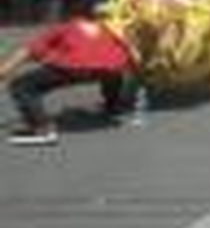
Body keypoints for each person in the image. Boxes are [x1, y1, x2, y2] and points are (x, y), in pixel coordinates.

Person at [3, 17, 135, 146]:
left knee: (22, 85)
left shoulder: (64, 27)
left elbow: (28, 51)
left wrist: (3, 71)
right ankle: (113, 105)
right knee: (110, 68)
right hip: (111, 66)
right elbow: (126, 50)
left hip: (76, 67)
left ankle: (42, 129)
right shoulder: (105, 28)